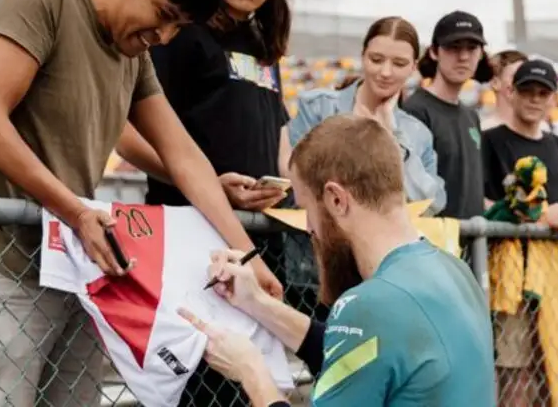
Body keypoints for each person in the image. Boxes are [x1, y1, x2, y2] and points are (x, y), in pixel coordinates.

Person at [0, 0, 280, 406]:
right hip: (2, 265)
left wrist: (248, 255)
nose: (162, 37)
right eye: (163, 15)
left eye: (178, 28)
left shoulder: (135, 53)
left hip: (74, 268)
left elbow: (181, 154)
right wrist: (76, 213)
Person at [180, 114, 496, 406]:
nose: (309, 228)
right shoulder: (453, 268)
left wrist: (252, 371)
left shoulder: (370, 305)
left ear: (336, 200)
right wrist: (257, 303)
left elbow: (370, 333)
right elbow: (363, 355)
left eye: (307, 209)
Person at [115, 0, 291, 404]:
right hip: (191, 234)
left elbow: (277, 135)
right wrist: (209, 184)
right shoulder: (180, 30)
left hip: (257, 237)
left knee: (248, 382)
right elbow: (125, 134)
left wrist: (285, 187)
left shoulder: (262, 43)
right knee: (198, 383)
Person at [482, 59, 558, 407]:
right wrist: (540, 216)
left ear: (553, 99)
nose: (535, 99)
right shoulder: (490, 142)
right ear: (510, 92)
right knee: (515, 372)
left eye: (543, 93)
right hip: (512, 276)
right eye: (527, 91)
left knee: (556, 369)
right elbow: (483, 204)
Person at [289, 16, 446, 215]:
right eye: (376, 60)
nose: (386, 72)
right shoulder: (317, 107)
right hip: (314, 242)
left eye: (399, 64)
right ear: (363, 56)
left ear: (413, 67)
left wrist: (394, 139)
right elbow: (299, 186)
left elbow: (431, 205)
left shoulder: (418, 133)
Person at [403, 10, 493, 220]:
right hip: (434, 244)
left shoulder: (471, 116)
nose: (463, 56)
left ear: (480, 54)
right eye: (453, 47)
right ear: (434, 52)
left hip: (473, 247)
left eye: (471, 48)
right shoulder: (416, 111)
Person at [481, 49, 528, 131]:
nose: (523, 82)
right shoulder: (484, 129)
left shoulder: (541, 129)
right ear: (495, 83)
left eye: (526, 77)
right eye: (516, 76)